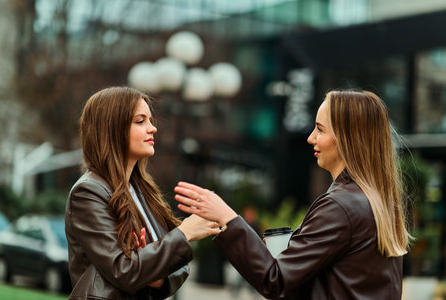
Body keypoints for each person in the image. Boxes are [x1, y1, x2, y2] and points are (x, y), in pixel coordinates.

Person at [174, 89, 411, 299]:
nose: (311, 138)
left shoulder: (341, 206)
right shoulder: (375, 201)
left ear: (347, 138)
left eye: (320, 129)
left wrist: (227, 217)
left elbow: (274, 281)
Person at [65, 86, 219, 299]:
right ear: (112, 129)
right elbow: (123, 271)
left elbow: (177, 269)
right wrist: (184, 233)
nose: (153, 128)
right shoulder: (88, 192)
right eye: (140, 121)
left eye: (150, 120)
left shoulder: (142, 190)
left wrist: (153, 274)